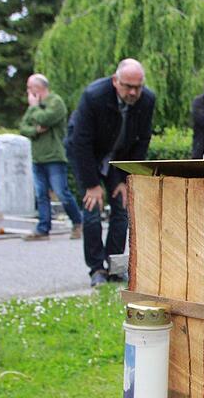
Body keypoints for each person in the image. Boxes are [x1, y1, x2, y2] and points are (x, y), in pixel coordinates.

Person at [70, 59, 155, 287]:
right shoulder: (94, 96)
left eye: (138, 87)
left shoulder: (147, 100)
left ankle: (115, 266)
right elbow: (81, 142)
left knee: (122, 206)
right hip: (89, 154)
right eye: (128, 86)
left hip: (118, 157)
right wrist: (91, 184)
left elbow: (142, 141)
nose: (133, 92)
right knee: (92, 209)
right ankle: (97, 268)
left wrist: (126, 178)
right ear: (115, 81)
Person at [19, 74, 82, 241]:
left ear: (38, 88)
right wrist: (35, 130)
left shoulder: (56, 102)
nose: (28, 91)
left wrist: (34, 108)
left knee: (62, 192)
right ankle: (43, 229)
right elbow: (23, 127)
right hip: (37, 157)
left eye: (29, 87)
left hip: (55, 156)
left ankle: (78, 223)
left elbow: (46, 118)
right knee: (41, 195)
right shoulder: (35, 106)